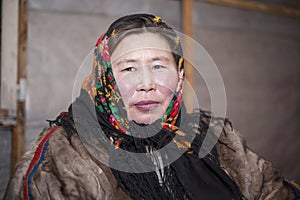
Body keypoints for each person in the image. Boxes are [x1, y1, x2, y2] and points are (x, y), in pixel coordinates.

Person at [4, 13, 300, 200]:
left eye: (159, 66)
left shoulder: (216, 138)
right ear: (102, 79)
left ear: (180, 75)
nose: (146, 83)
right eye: (129, 68)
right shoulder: (63, 153)